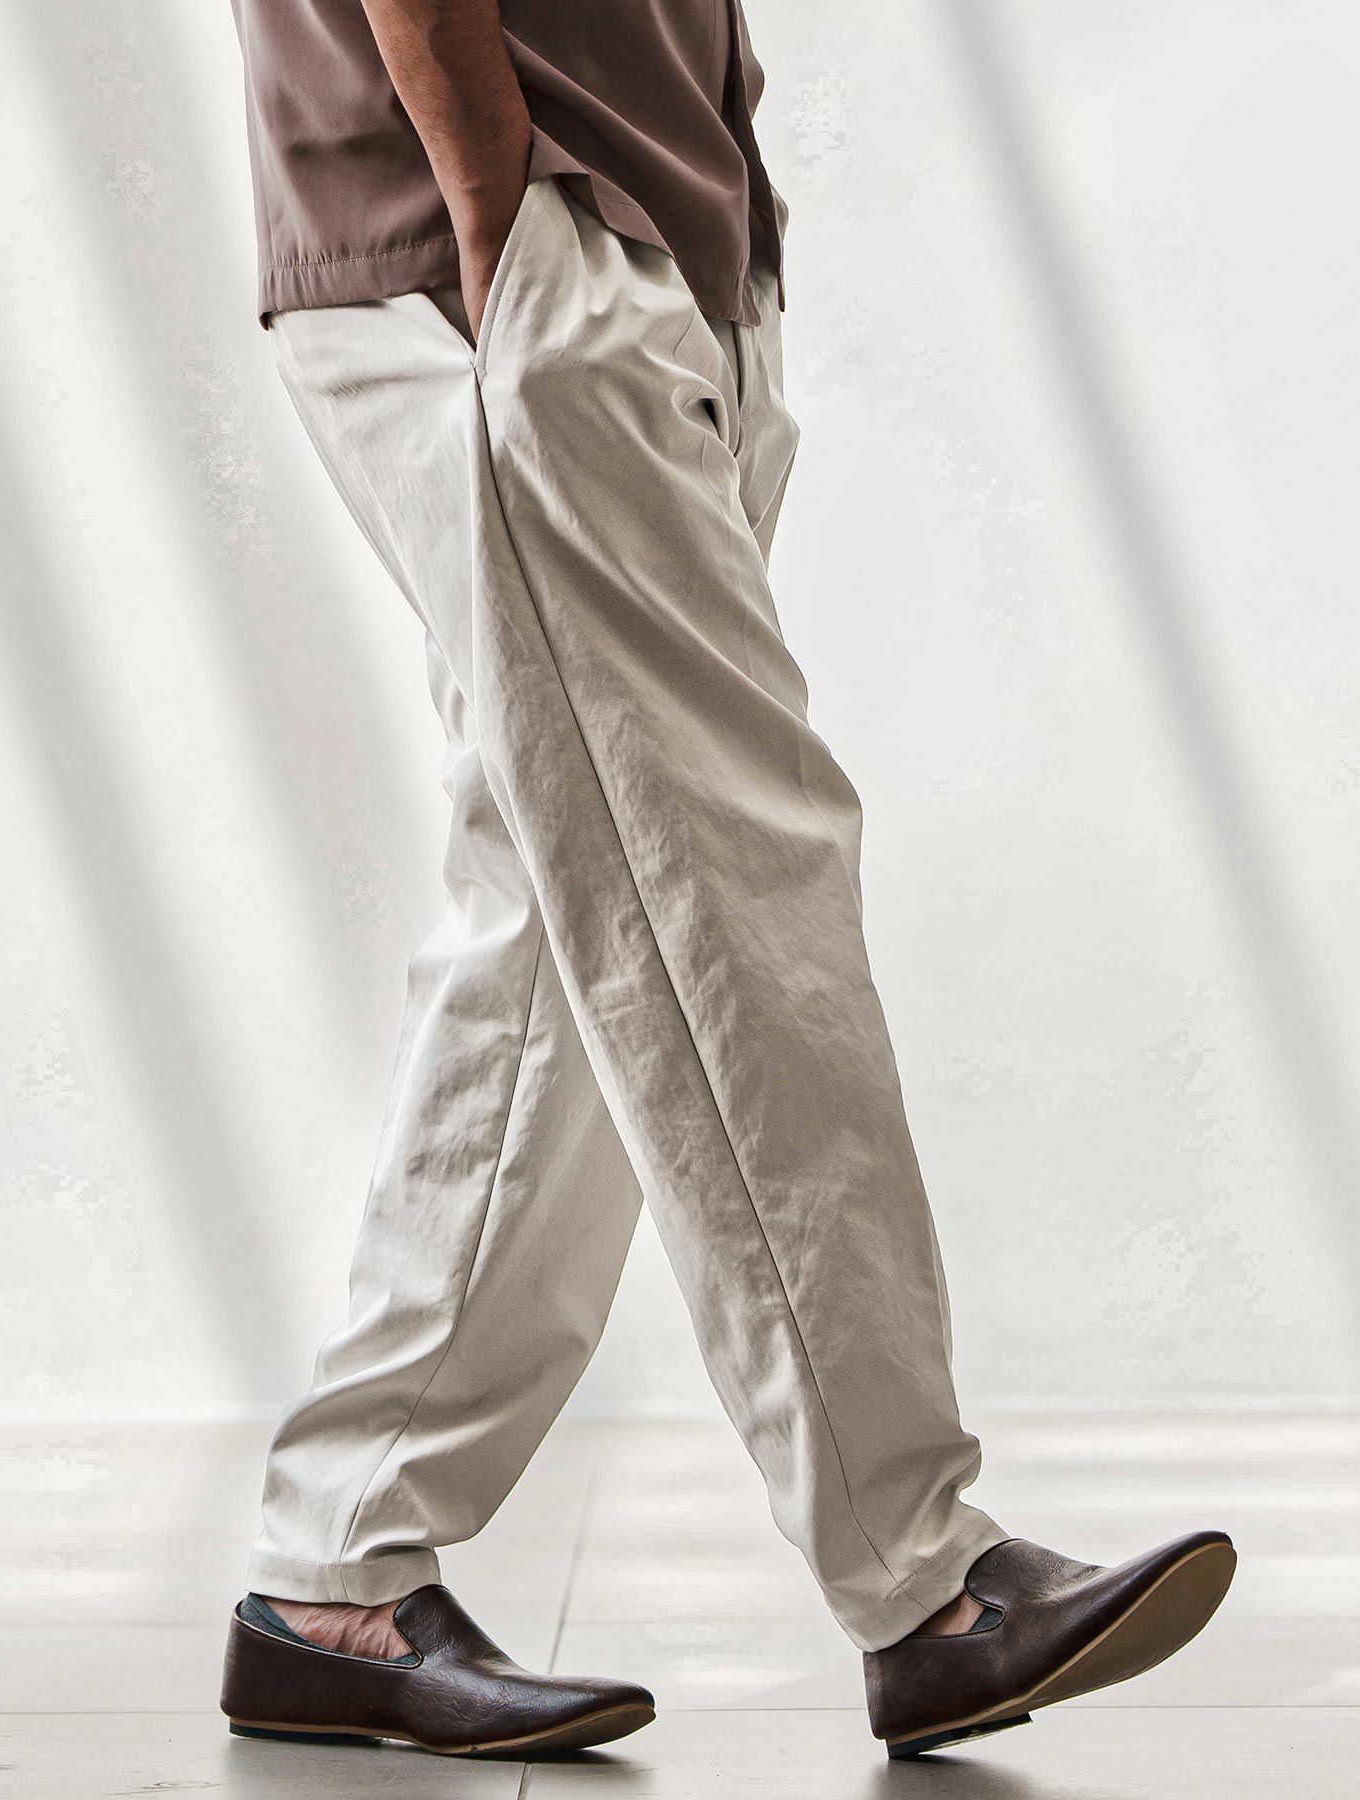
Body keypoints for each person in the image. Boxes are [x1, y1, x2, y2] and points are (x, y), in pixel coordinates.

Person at [217, 0, 1235, 1762]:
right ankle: (924, 1580)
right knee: (728, 893)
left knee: (556, 935)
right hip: (509, 248)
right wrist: (501, 211)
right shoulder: (505, 244)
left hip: (645, 235)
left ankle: (335, 1570)